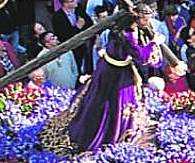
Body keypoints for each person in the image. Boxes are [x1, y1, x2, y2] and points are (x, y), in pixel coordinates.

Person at [64, 13, 167, 151]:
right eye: (145, 19)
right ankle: (115, 133)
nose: (148, 22)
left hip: (107, 68)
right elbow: (142, 58)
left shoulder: (117, 29)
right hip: (117, 75)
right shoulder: (127, 36)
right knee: (115, 103)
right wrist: (154, 42)